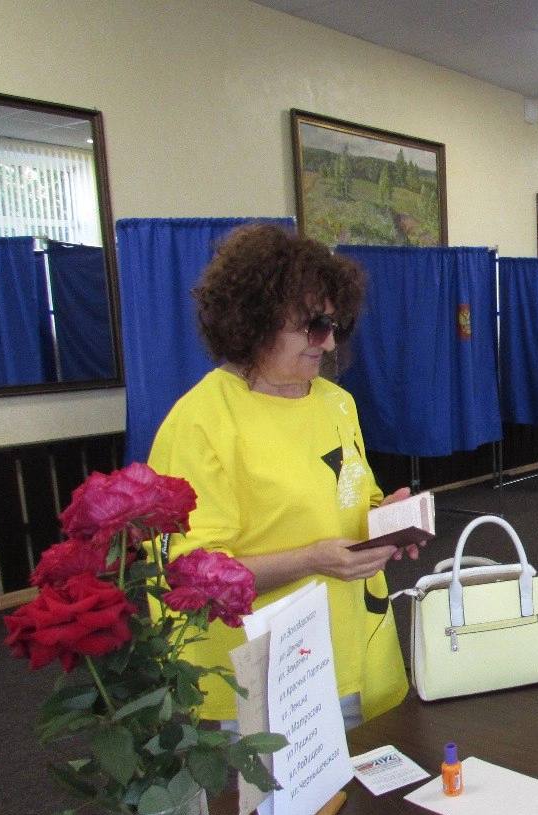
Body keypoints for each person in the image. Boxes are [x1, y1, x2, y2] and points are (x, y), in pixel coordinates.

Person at [149, 223, 415, 729]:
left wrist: (386, 519)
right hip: (265, 676)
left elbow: (353, 495)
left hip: (354, 652)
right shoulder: (202, 421)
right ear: (256, 319)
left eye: (335, 326)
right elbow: (190, 574)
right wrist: (311, 560)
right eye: (314, 326)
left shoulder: (337, 403)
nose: (330, 342)